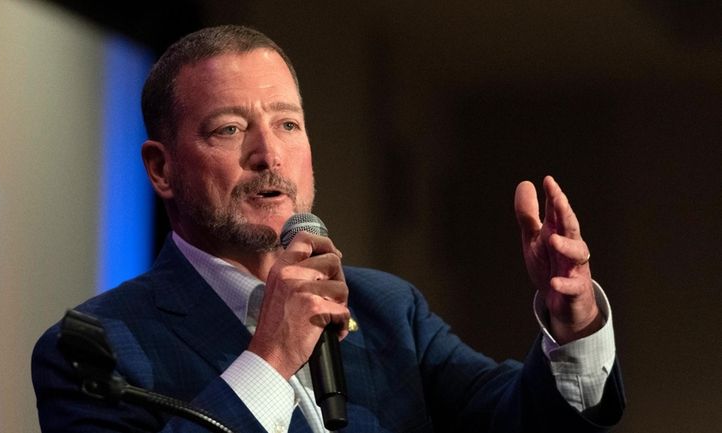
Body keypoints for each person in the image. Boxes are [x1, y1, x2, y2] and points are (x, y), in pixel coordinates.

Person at [32, 25, 625, 433]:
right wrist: (270, 358)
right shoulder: (94, 349)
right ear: (162, 169)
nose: (269, 154)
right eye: (229, 129)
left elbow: (521, 421)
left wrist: (573, 326)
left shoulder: (391, 311)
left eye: (288, 124)